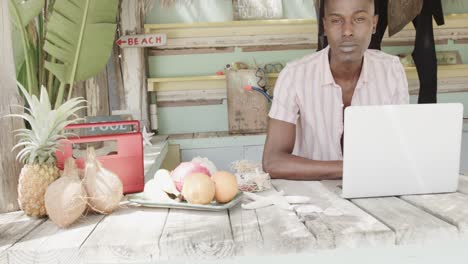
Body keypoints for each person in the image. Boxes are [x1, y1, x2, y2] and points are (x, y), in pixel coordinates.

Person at [262, 0, 409, 181]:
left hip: (374, 191)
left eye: (359, 19)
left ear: (374, 24)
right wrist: (353, 168)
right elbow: (273, 162)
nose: (347, 31)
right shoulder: (294, 75)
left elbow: (400, 149)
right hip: (311, 198)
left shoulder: (391, 70)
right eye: (336, 21)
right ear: (324, 26)